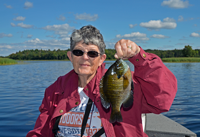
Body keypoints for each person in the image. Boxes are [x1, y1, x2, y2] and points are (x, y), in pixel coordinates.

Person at [26, 25, 177, 137]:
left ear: (101, 59)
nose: (85, 57)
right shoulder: (55, 90)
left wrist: (139, 56)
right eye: (78, 52)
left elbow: (162, 100)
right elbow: (41, 131)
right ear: (70, 56)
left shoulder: (124, 81)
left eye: (92, 53)